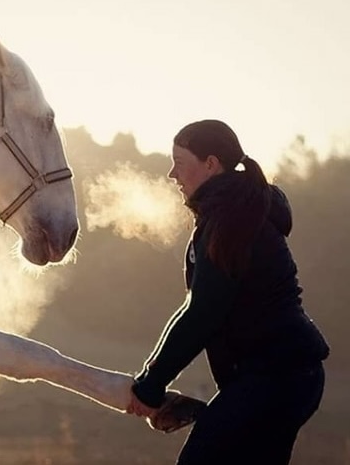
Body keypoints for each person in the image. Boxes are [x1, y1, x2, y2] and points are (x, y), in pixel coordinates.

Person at [126, 119, 330, 464]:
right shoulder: (228, 214)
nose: (171, 174)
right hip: (284, 377)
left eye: (179, 162)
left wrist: (151, 384)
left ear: (210, 164)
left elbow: (203, 313)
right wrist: (151, 376)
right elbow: (196, 305)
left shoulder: (233, 220)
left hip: (276, 378)